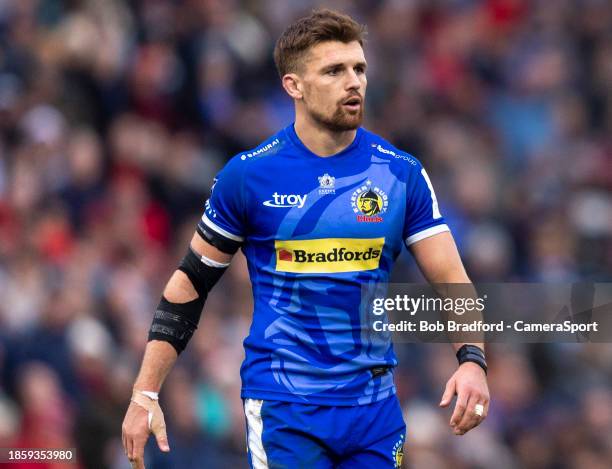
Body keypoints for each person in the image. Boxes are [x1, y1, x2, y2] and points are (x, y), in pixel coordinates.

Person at [121, 9, 489, 469]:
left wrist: (472, 359)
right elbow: (190, 285)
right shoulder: (249, 176)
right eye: (334, 71)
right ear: (293, 85)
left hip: (373, 411)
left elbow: (452, 278)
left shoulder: (400, 173)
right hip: (286, 408)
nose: (353, 82)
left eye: (359, 68)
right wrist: (145, 392)